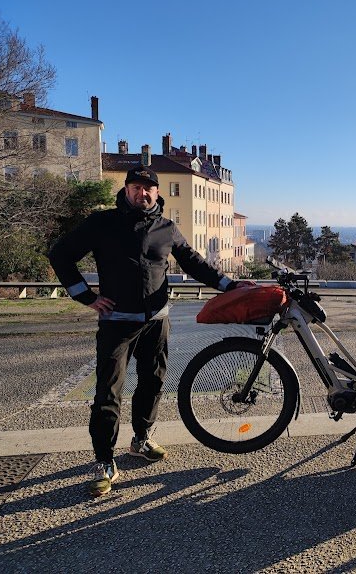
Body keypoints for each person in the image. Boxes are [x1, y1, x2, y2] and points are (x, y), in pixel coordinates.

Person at [49, 165, 251, 497]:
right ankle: (104, 461)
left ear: (156, 193)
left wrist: (230, 285)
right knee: (107, 393)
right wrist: (85, 296)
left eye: (148, 188)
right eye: (135, 187)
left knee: (153, 383)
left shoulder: (167, 228)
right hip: (116, 323)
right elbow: (61, 254)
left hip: (157, 321)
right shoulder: (103, 223)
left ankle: (141, 440)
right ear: (126, 190)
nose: (142, 193)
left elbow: (194, 262)